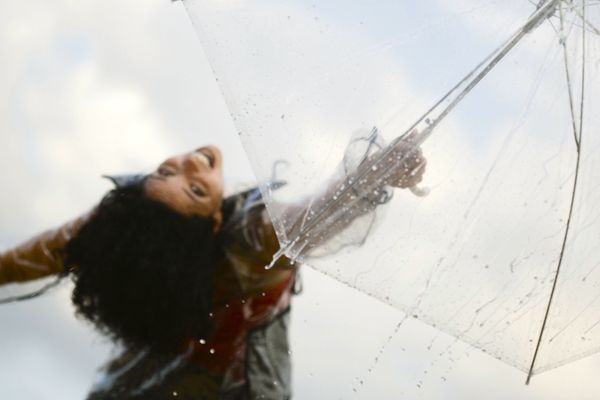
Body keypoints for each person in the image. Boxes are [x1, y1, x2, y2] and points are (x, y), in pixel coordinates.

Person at [0, 138, 425, 399]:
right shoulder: (248, 245)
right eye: (194, 188)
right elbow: (307, 221)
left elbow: (35, 255)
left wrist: (373, 175)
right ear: (214, 221)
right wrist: (374, 175)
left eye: (166, 171)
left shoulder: (128, 228)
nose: (190, 163)